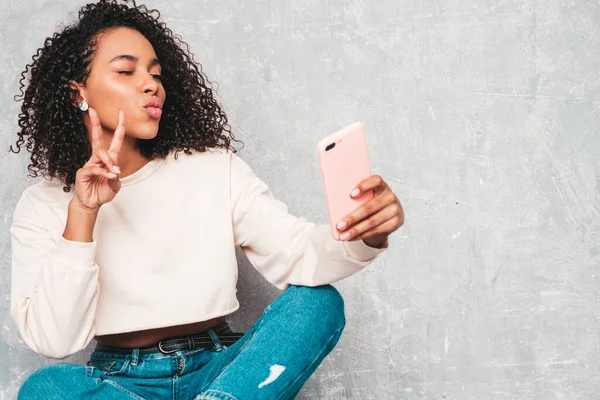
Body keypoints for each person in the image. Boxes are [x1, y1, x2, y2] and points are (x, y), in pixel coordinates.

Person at [8, 0, 404, 398]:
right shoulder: (42, 204)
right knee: (46, 389)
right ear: (79, 91)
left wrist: (364, 234)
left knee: (316, 303)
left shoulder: (213, 168)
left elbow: (298, 252)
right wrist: (83, 212)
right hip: (118, 383)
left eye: (156, 74)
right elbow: (54, 341)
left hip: (223, 371)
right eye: (126, 71)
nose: (151, 84)